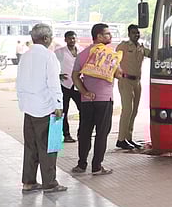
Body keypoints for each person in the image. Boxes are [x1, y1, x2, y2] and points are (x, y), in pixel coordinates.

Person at [17, 24, 66, 194]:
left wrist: (22, 102)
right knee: (48, 146)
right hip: (45, 107)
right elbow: (53, 83)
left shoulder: (25, 56)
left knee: (30, 146)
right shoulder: (48, 56)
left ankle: (29, 182)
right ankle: (50, 183)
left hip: (28, 107)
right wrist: (59, 105)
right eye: (51, 37)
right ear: (45, 38)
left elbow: (19, 82)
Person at [71, 23, 121, 175]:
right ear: (98, 36)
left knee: (85, 132)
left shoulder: (83, 54)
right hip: (104, 99)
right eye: (107, 34)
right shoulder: (109, 54)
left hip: (87, 100)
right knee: (101, 133)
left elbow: (75, 76)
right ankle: (97, 166)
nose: (110, 37)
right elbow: (118, 74)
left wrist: (84, 92)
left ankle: (81, 165)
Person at [115, 24, 149, 150]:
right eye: (134, 32)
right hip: (125, 80)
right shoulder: (123, 46)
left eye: (138, 32)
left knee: (134, 111)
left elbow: (151, 54)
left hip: (137, 82)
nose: (136, 35)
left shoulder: (140, 47)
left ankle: (128, 138)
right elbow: (114, 60)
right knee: (127, 110)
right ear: (129, 33)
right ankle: (120, 139)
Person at [55, 30, 80, 143]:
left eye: (73, 38)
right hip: (64, 85)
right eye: (69, 38)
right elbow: (52, 66)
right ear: (65, 40)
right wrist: (57, 75)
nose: (72, 40)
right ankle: (66, 134)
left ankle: (82, 133)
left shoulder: (81, 51)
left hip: (78, 85)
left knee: (84, 110)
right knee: (64, 111)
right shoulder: (59, 52)